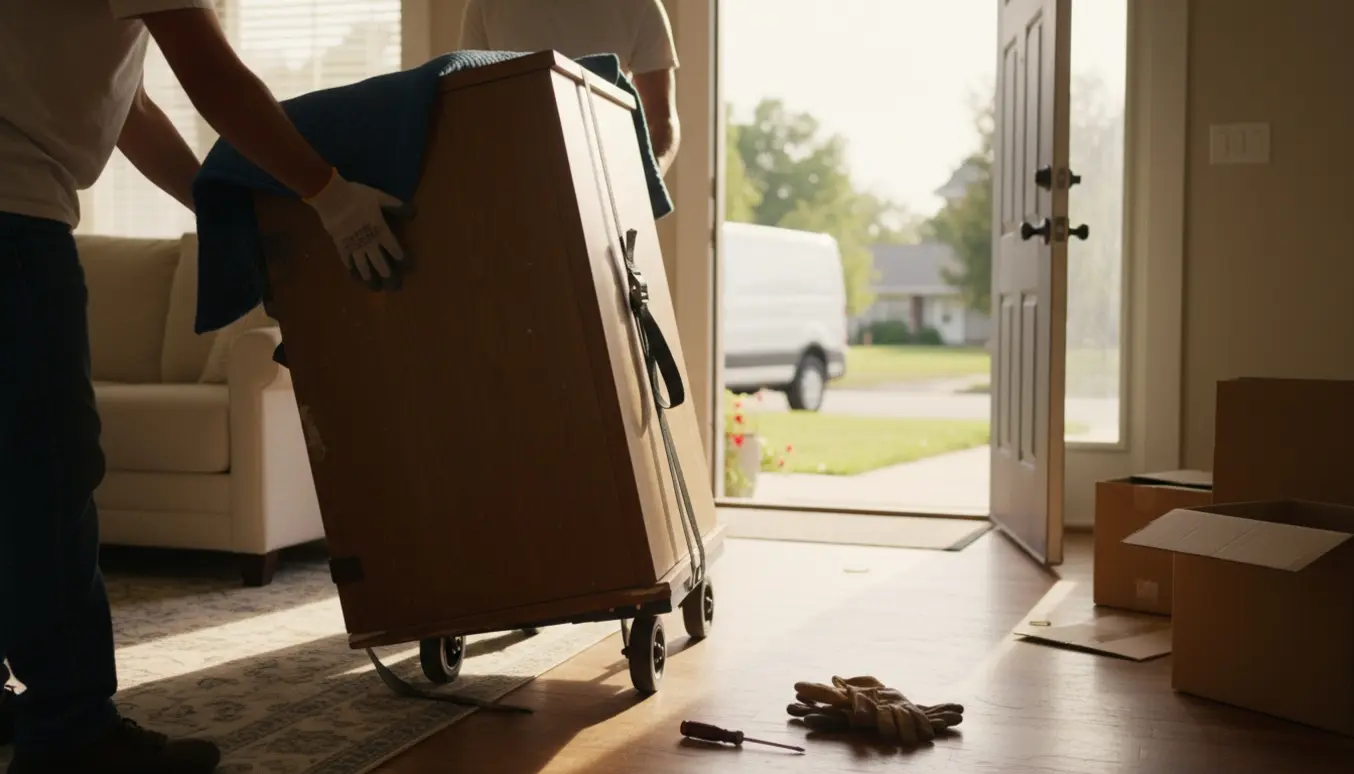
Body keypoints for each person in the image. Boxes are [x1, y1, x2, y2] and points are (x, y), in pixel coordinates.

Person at [0, 3, 407, 772]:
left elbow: (130, 110)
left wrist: (223, 211)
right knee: (46, 476)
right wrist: (327, 193)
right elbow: (210, 72)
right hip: (12, 218)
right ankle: (71, 733)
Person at [459, 0, 682, 175]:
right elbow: (469, 108)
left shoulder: (640, 5)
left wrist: (644, 186)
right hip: (514, 188)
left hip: (605, 188)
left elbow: (661, 118)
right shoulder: (485, 5)